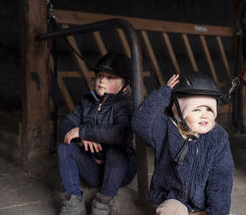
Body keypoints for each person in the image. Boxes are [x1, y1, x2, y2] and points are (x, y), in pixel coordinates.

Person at [132, 71, 234, 215]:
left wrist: (217, 211)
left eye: (209, 109)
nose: (204, 114)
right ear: (179, 113)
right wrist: (163, 94)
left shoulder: (218, 137)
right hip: (175, 201)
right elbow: (140, 123)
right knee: (168, 212)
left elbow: (221, 178)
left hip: (204, 204)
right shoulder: (166, 131)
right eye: (196, 109)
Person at [57, 52, 136, 215]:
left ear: (124, 86)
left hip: (118, 173)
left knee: (117, 149)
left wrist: (85, 131)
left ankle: (102, 203)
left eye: (110, 77)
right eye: (100, 75)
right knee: (65, 147)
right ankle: (73, 202)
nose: (102, 80)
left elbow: (122, 133)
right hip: (93, 170)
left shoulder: (124, 105)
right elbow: (65, 124)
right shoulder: (87, 102)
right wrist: (81, 138)